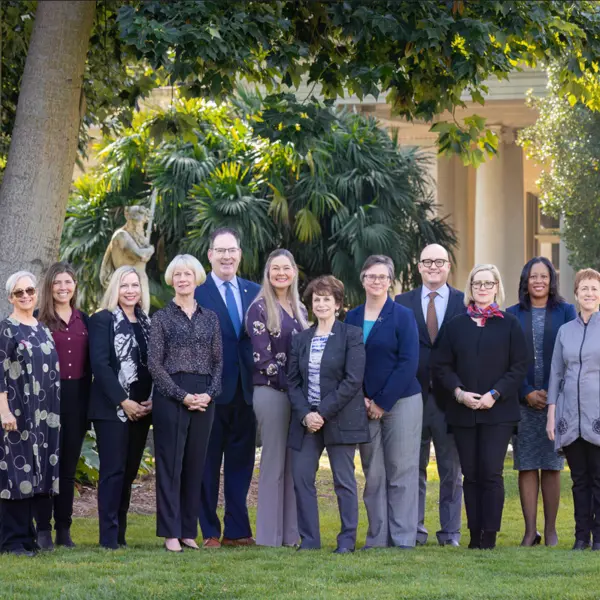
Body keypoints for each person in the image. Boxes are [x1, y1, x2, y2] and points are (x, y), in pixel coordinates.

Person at [434, 264, 529, 550]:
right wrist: (459, 393)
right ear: (470, 288)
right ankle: (474, 535)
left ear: (497, 287)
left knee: (490, 472)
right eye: (478, 284)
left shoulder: (510, 323)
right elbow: (441, 365)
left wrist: (495, 393)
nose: (483, 288)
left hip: (497, 411)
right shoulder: (455, 326)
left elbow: (519, 366)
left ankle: (489, 535)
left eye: (489, 284)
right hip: (463, 410)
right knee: (470, 475)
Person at [288, 275, 369, 553]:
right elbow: (292, 382)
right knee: (301, 477)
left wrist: (320, 412)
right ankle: (309, 541)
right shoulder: (300, 339)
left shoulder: (352, 335)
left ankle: (346, 541)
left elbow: (353, 380)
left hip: (340, 418)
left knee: (344, 482)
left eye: (327, 299)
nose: (321, 304)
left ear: (338, 304)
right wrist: (306, 415)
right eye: (316, 299)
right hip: (305, 421)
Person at [346, 256, 422, 549]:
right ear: (362, 279)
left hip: (401, 402)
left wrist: (381, 402)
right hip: (362, 404)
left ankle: (403, 539)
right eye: (371, 276)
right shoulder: (352, 317)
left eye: (382, 277)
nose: (376, 282)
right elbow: (347, 361)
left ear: (390, 281)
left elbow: (408, 362)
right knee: (374, 473)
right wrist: (363, 399)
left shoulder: (402, 315)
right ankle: (377, 538)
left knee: (401, 471)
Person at [149, 255, 223, 553]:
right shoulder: (161, 318)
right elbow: (154, 363)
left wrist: (209, 393)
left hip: (204, 396)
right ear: (172, 280)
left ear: (196, 279)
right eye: (177, 275)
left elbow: (219, 362)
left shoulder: (210, 317)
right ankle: (169, 532)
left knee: (196, 465)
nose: (182, 279)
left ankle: (188, 531)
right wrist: (181, 396)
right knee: (170, 465)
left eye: (187, 274)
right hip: (171, 396)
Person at [395, 244, 465, 547]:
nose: (433, 266)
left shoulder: (464, 302)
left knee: (451, 469)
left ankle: (450, 533)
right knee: (413, 467)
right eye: (427, 262)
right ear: (419, 266)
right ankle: (415, 529)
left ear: (448, 266)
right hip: (412, 395)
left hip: (451, 398)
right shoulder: (402, 302)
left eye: (439, 261)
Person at [196, 228, 260, 547]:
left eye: (231, 250)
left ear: (239, 254)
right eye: (220, 251)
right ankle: (209, 530)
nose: (226, 256)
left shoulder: (255, 292)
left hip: (246, 392)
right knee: (207, 465)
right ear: (210, 255)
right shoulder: (196, 292)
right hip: (210, 392)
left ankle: (237, 530)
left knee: (241, 464)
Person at [507, 257, 576, 547]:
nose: (538, 281)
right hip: (523, 401)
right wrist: (525, 392)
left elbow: (572, 354)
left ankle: (550, 531)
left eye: (544, 277)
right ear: (525, 280)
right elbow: (507, 358)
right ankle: (529, 531)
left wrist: (552, 395)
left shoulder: (566, 311)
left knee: (551, 465)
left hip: (555, 402)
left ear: (551, 281)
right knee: (526, 465)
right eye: (533, 276)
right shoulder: (511, 314)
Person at [246, 249, 308, 547]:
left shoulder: (301, 310)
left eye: (286, 268)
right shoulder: (258, 309)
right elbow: (262, 359)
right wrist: (294, 388)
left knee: (292, 464)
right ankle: (269, 536)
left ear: (294, 272)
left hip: (296, 397)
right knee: (273, 463)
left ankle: (291, 534)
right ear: (268, 273)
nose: (281, 273)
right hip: (271, 392)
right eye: (275, 268)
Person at [88, 266, 153, 550]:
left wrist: (150, 399)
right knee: (113, 472)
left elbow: (152, 366)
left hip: (142, 409)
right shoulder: (103, 320)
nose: (130, 291)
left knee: (128, 473)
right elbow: (100, 366)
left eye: (134, 285)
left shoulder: (146, 322)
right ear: (115, 288)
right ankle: (108, 538)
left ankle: (121, 535)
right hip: (112, 409)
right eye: (124, 285)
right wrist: (122, 401)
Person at [0, 271, 60, 556]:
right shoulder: (6, 329)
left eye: (30, 291)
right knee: (16, 472)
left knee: (35, 474)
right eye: (18, 292)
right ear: (10, 297)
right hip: (17, 413)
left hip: (43, 415)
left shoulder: (41, 328)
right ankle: (11, 541)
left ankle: (27, 537)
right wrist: (4, 411)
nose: (25, 296)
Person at [34, 262, 92, 550]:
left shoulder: (85, 320)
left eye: (68, 282)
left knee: (67, 469)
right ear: (49, 287)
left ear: (75, 286)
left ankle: (64, 529)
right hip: (45, 400)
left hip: (77, 399)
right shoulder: (38, 321)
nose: (63, 287)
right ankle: (42, 529)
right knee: (46, 467)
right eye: (57, 282)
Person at [547, 268, 600, 551]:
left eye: (594, 288)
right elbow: (555, 374)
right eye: (584, 288)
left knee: (599, 479)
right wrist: (551, 415)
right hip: (570, 417)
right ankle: (581, 536)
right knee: (579, 480)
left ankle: (599, 538)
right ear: (576, 293)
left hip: (597, 415)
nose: (589, 293)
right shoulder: (565, 331)